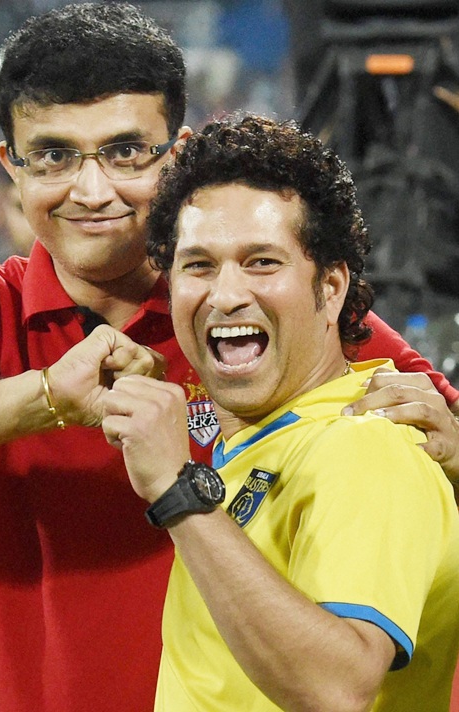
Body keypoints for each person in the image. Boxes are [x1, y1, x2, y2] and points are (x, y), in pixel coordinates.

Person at [0, 4, 458, 710]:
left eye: (125, 151)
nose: (92, 189)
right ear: (9, 168)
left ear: (177, 154)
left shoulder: (262, 307)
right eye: (53, 155)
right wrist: (41, 396)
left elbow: (428, 446)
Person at [101, 114, 459, 711]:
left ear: (332, 287)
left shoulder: (366, 443)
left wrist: (177, 492)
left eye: (262, 262)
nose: (226, 293)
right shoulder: (263, 442)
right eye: (199, 265)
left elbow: (337, 688)